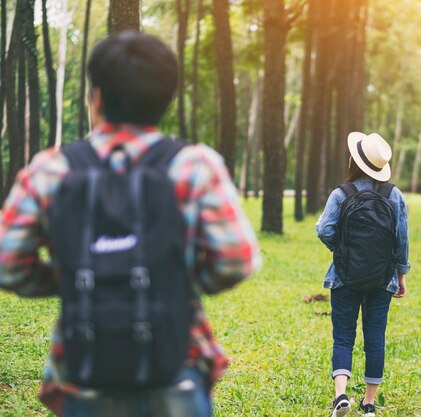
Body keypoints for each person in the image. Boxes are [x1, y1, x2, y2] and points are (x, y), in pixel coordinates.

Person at [0, 31, 261, 417]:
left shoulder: (51, 169)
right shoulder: (194, 166)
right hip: (176, 367)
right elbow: (237, 259)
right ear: (164, 100)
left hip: (82, 374)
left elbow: (8, 264)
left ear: (97, 96)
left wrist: (77, 276)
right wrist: (172, 277)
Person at [316, 132, 410, 417]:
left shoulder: (340, 194)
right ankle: (368, 405)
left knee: (343, 336)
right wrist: (401, 274)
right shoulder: (394, 195)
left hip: (343, 276)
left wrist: (344, 248)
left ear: (353, 161)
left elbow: (323, 229)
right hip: (383, 278)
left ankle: (341, 396)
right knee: (375, 337)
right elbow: (401, 238)